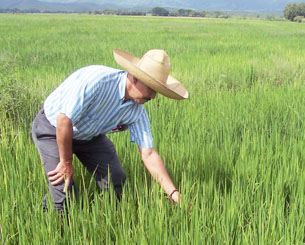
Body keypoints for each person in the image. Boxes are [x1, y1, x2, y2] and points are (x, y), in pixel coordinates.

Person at [31, 49, 188, 212]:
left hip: (89, 136)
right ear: (134, 78)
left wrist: (174, 193)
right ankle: (52, 224)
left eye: (157, 91)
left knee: (115, 180)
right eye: (151, 88)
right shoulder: (97, 82)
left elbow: (149, 154)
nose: (153, 96)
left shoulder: (137, 110)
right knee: (64, 192)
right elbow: (64, 120)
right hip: (53, 129)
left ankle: (115, 221)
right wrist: (66, 162)